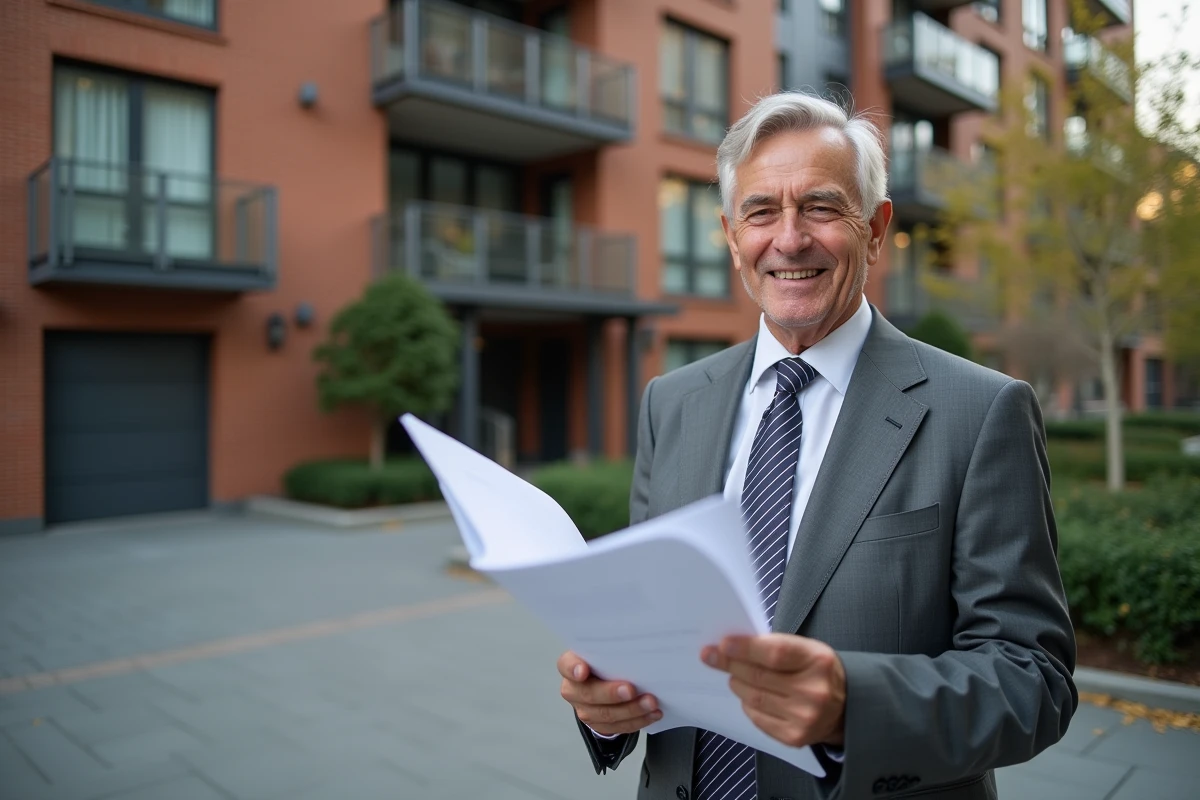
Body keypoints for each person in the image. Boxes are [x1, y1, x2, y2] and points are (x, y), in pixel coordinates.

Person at [556, 91, 1077, 800]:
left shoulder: (982, 411)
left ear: (876, 230)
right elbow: (651, 623)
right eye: (761, 212)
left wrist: (853, 709)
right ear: (731, 235)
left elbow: (1033, 678)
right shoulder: (670, 403)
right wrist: (608, 702)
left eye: (821, 207)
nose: (790, 238)